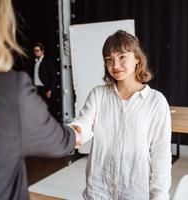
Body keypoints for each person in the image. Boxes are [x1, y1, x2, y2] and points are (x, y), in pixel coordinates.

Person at [0, 0, 81, 200]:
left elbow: (51, 77)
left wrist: (49, 90)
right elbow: (59, 141)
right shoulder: (8, 91)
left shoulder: (27, 78)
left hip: (41, 94)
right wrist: (74, 136)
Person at [70, 30, 172, 200]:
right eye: (109, 59)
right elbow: (83, 125)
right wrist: (70, 132)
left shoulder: (156, 101)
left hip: (135, 192)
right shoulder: (98, 94)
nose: (115, 65)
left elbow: (161, 156)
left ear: (137, 58)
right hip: (97, 192)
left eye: (122, 57)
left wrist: (159, 197)